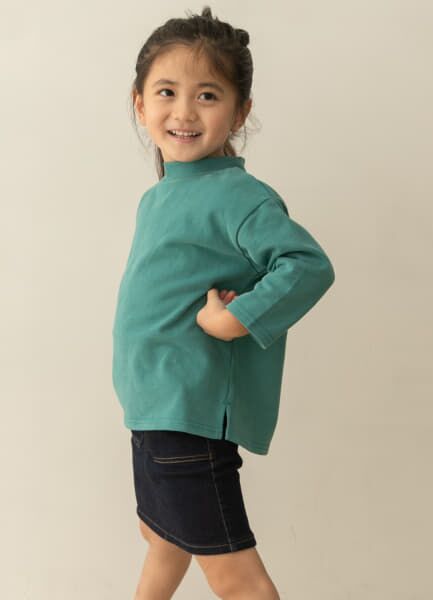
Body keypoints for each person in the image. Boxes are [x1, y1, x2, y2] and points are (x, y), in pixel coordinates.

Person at [111, 6, 335, 599]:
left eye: (207, 95)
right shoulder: (160, 196)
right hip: (152, 411)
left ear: (239, 112)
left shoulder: (239, 196)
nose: (184, 112)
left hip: (189, 414)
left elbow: (308, 264)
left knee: (237, 579)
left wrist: (238, 318)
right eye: (167, 92)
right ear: (140, 103)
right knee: (164, 537)